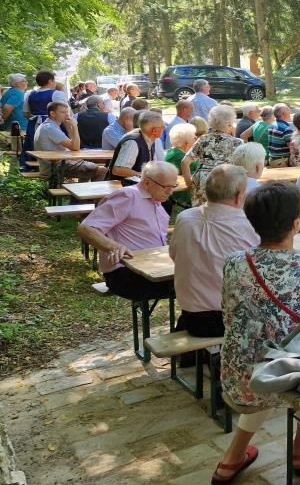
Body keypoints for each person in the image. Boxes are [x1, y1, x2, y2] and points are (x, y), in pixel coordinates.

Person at [214, 181, 300, 485]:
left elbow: (229, 315)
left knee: (275, 364)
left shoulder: (234, 263)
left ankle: (232, 458)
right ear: (296, 223)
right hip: (289, 376)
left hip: (241, 375)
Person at [170, 164, 260, 339]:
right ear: (239, 196)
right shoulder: (249, 222)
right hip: (235, 319)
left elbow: (174, 255)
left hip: (192, 318)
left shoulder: (184, 218)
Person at [77, 161, 177, 300]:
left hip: (153, 267)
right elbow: (86, 228)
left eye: (173, 186)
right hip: (125, 273)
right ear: (147, 182)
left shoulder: (156, 201)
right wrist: (113, 247)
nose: (170, 192)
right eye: (166, 187)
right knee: (193, 283)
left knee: (196, 277)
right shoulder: (128, 196)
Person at [182, 105, 243, 206]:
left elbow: (184, 162)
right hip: (224, 181)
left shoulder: (203, 139)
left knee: (200, 212)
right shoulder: (236, 142)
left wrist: (189, 183)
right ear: (229, 124)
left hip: (201, 181)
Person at [34, 101, 109, 181]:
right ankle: (84, 189)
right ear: (52, 114)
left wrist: (70, 128)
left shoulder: (47, 125)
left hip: (52, 165)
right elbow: (75, 147)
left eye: (67, 112)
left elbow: (71, 145)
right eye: (63, 112)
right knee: (102, 170)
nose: (67, 115)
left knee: (88, 167)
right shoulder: (51, 128)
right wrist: (75, 126)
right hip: (54, 168)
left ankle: (81, 188)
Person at [109, 110, 165, 180]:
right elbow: (118, 170)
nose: (164, 129)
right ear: (155, 131)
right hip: (122, 184)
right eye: (162, 127)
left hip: (135, 183)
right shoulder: (133, 142)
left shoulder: (149, 138)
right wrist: (143, 175)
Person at [165, 123, 197, 208]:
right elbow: (197, 172)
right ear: (186, 143)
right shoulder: (178, 156)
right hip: (181, 199)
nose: (196, 139)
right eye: (194, 138)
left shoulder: (176, 151)